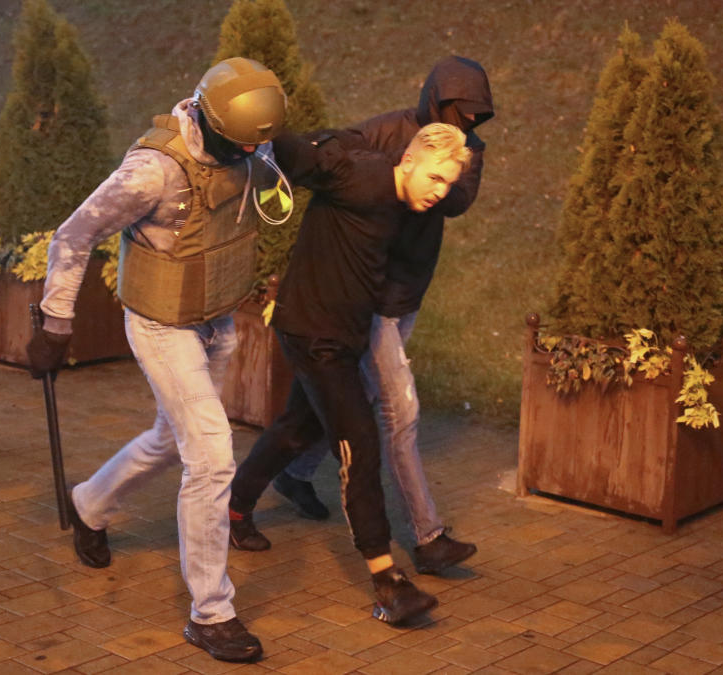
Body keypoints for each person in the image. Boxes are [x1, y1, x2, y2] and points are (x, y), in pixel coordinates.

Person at [26, 57, 289, 663]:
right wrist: (56, 324)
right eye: (243, 142)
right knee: (213, 456)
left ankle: (89, 503)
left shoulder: (249, 144)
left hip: (217, 318)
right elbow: (73, 235)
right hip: (161, 326)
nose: (252, 150)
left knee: (172, 441)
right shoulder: (153, 172)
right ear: (208, 119)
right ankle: (211, 612)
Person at [228, 123, 472, 625]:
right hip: (314, 335)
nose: (439, 191)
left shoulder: (402, 200)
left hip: (342, 335)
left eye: (448, 183)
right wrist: (260, 125)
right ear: (408, 162)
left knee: (300, 428)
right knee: (358, 440)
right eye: (435, 178)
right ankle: (387, 580)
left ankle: (234, 507)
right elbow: (304, 155)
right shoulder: (363, 178)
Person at [268, 55, 494, 574]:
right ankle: (427, 536)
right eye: (462, 112)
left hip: (404, 288)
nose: (470, 124)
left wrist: (433, 171)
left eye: (478, 117)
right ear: (438, 98)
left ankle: (289, 472)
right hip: (369, 293)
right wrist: (386, 173)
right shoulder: (391, 129)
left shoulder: (466, 151)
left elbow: (458, 200)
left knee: (335, 407)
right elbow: (338, 151)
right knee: (400, 411)